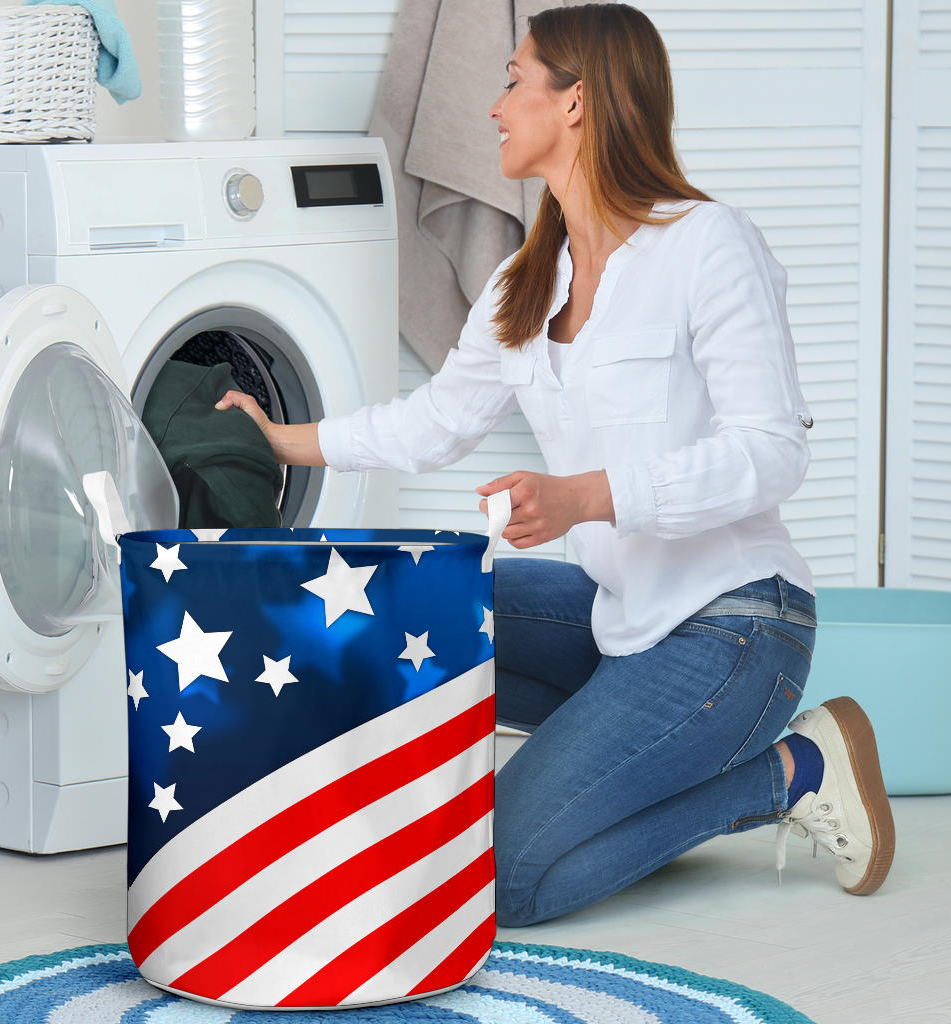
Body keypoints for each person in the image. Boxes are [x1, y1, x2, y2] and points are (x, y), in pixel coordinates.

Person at [216, 2, 895, 927]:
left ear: (576, 103)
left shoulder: (706, 244)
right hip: (621, 620)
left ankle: (791, 773)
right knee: (392, 604)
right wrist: (288, 438)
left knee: (506, 882)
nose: (493, 106)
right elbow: (436, 422)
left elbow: (773, 454)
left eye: (513, 81)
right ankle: (577, 770)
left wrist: (588, 498)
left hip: (736, 627)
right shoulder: (523, 281)